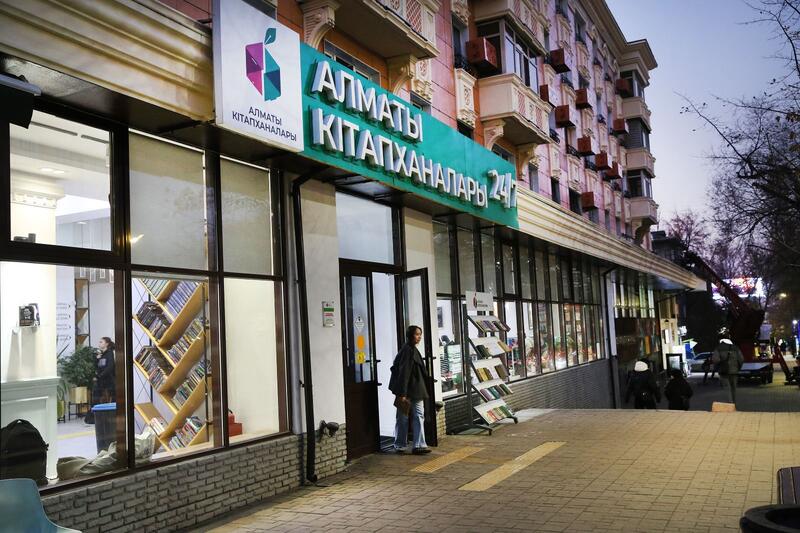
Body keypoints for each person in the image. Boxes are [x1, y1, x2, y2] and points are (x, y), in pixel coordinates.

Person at [388, 325, 431, 455]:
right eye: (417, 334)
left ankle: (416, 445)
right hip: (408, 390)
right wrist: (402, 393)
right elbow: (404, 372)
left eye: (420, 334)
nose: (419, 337)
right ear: (410, 335)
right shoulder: (408, 351)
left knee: (414, 416)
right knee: (406, 417)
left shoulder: (410, 349)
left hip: (416, 389)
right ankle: (403, 444)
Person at [712, 332, 744, 405]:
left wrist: (719, 365)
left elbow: (715, 360)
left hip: (724, 372)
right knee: (733, 389)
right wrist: (738, 368)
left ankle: (730, 404)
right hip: (734, 371)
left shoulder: (718, 348)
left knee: (727, 389)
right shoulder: (735, 347)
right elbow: (741, 359)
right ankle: (734, 404)